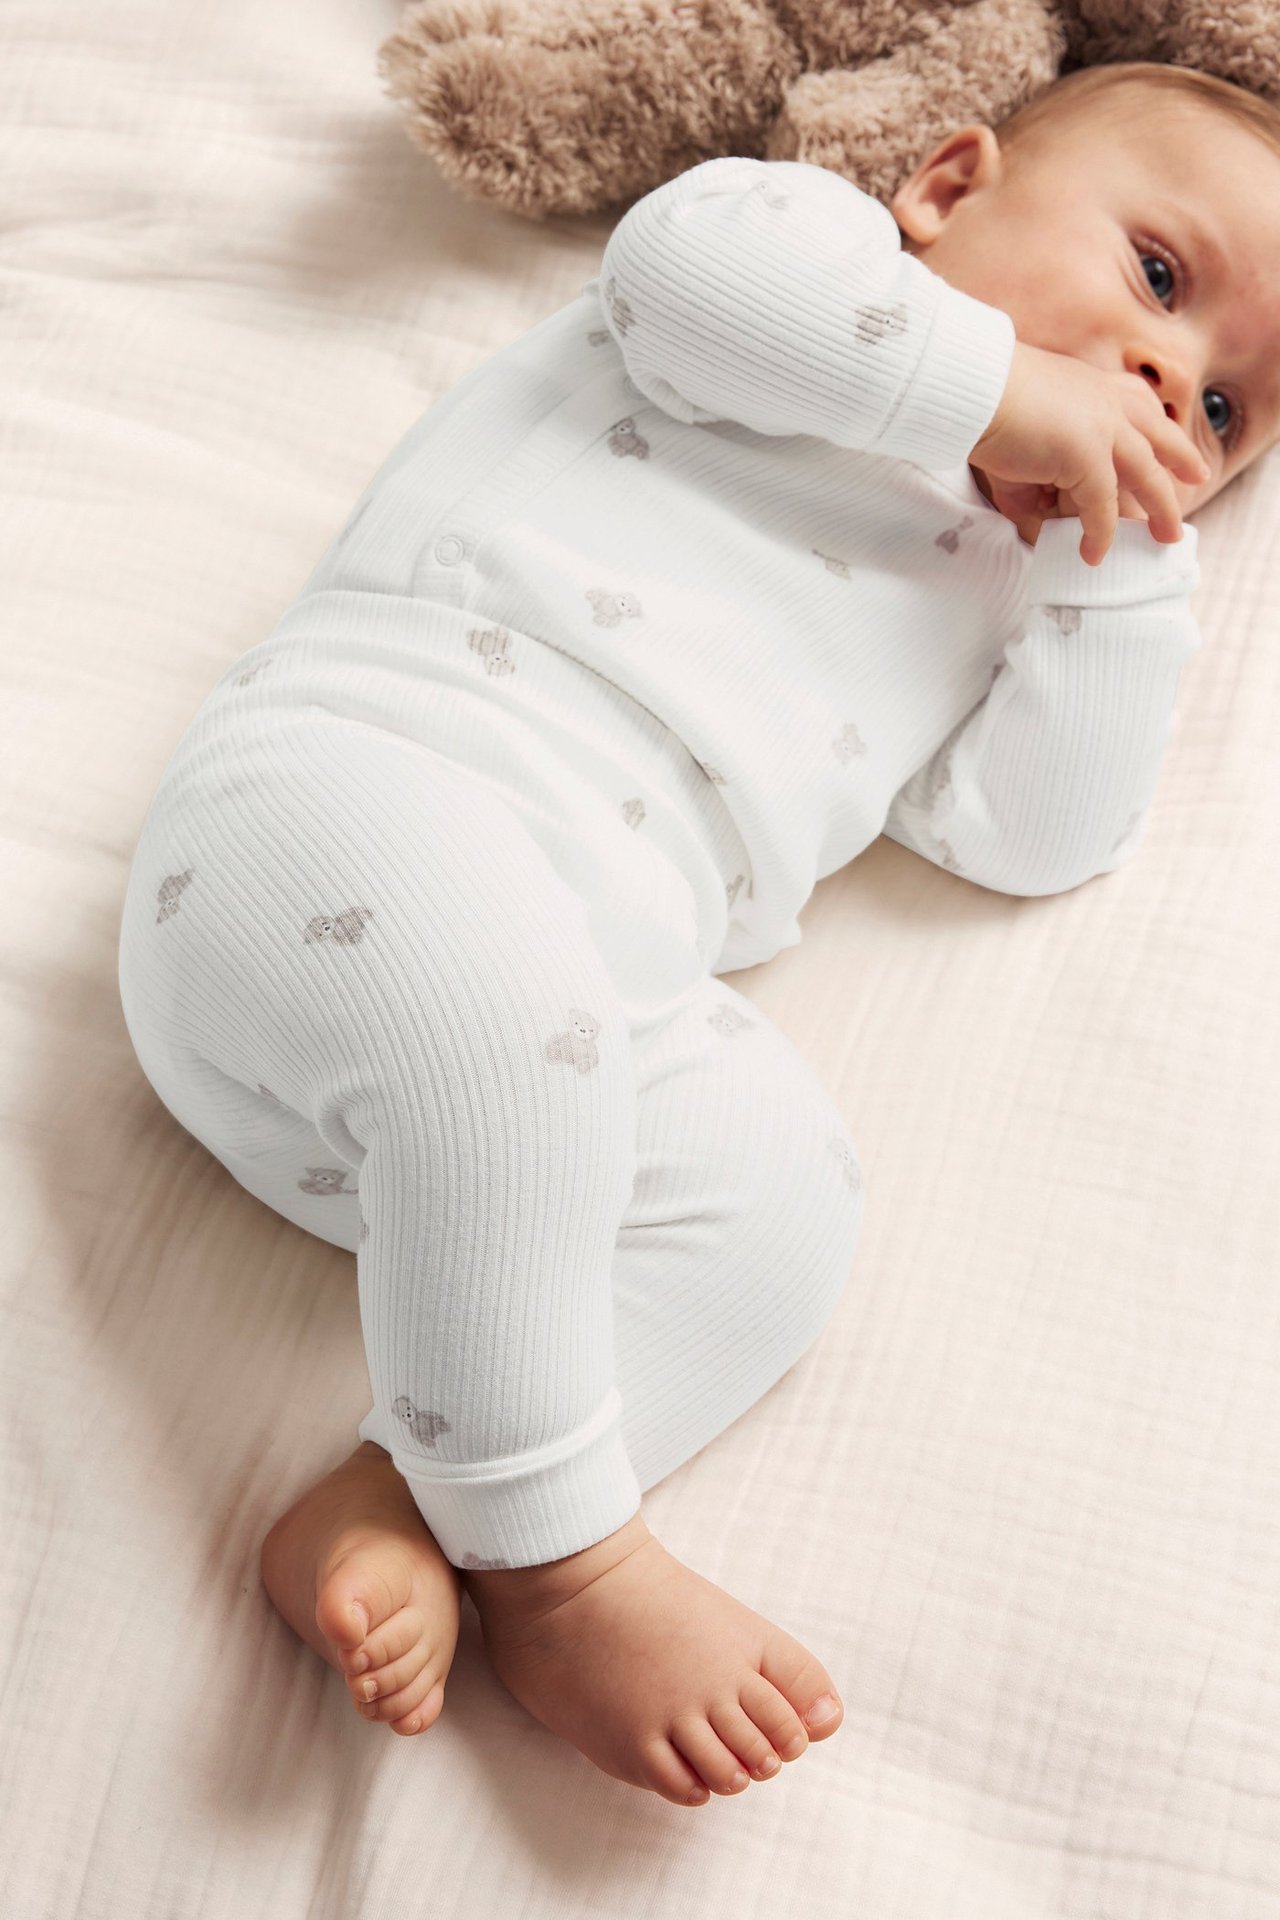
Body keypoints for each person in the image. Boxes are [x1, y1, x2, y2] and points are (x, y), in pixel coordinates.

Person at [116, 60, 1280, 1810]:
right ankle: (560, 1563)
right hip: (351, 802)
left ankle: (404, 1492)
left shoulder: (1001, 583)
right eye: (1162, 279)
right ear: (949, 187)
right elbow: (680, 274)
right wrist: (993, 382)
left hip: (540, 1068)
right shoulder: (810, 271)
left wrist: (1117, 578)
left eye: (1229, 411)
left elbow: (1029, 838)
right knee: (500, 1022)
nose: (1168, 380)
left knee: (780, 1193)